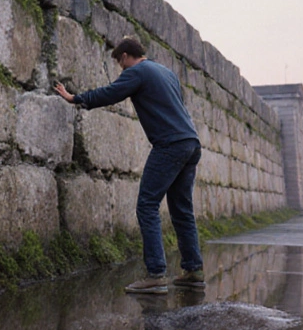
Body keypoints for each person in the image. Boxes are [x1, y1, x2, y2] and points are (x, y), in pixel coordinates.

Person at [55, 36, 204, 294]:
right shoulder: (165, 72)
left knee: (147, 205)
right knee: (182, 209)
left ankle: (156, 274)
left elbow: (110, 93)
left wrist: (76, 98)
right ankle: (193, 271)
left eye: (120, 64)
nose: (121, 70)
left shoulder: (137, 71)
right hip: (191, 142)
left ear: (124, 57)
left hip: (169, 144)